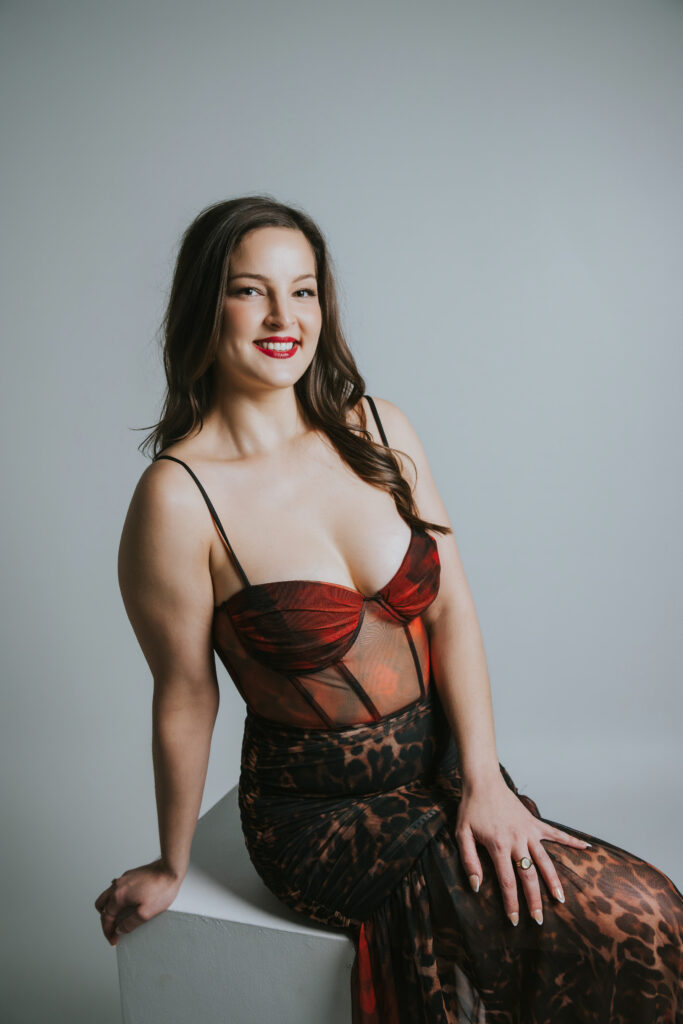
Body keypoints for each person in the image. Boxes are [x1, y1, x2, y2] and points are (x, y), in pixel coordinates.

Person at [94, 194, 682, 1022]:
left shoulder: (379, 428)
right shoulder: (179, 496)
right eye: (250, 290)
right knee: (631, 922)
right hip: (322, 820)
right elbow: (186, 693)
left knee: (649, 911)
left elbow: (452, 611)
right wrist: (171, 862)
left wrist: (482, 780)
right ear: (204, 305)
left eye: (303, 291)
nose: (282, 317)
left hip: (441, 774)